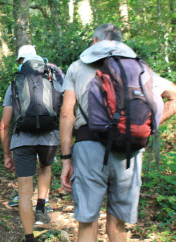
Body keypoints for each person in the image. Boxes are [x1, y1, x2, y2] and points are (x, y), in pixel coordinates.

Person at [59, 23, 176, 241]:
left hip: (88, 148)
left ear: (95, 42)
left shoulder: (77, 67)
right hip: (128, 151)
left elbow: (67, 114)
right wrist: (147, 123)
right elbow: (177, 96)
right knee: (118, 224)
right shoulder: (139, 68)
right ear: (121, 44)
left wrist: (66, 159)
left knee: (87, 222)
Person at [0, 44, 63, 241]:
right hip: (49, 138)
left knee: (24, 193)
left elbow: (4, 124)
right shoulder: (53, 78)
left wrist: (7, 155)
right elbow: (64, 109)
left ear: (21, 62)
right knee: (45, 166)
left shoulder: (15, 84)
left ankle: (29, 237)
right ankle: (42, 207)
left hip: (22, 142)